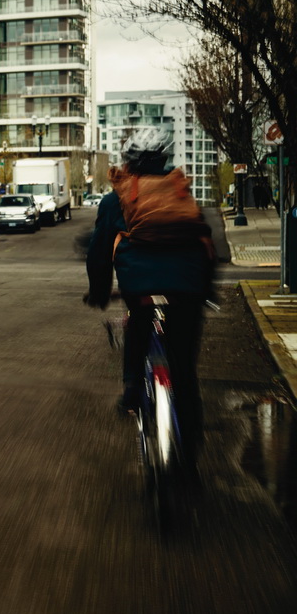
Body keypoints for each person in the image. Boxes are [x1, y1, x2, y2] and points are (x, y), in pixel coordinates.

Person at [84, 126, 216, 489]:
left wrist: (98, 291)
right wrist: (204, 292)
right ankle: (189, 464)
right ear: (164, 160)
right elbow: (206, 245)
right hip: (186, 291)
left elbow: (98, 254)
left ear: (130, 160)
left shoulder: (117, 198)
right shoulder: (180, 191)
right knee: (184, 375)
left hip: (140, 289)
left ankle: (130, 391)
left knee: (138, 324)